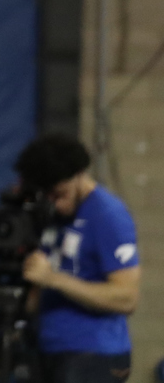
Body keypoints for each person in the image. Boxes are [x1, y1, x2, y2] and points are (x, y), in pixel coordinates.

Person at [17, 134, 140, 383]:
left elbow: (127, 298)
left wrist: (54, 279)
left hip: (94, 354)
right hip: (49, 349)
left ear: (79, 175)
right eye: (48, 195)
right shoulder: (52, 217)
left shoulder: (108, 216)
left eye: (60, 194)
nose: (56, 204)